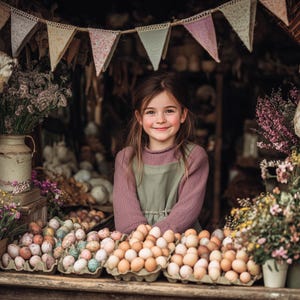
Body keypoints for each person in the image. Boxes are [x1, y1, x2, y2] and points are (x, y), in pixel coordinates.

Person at [113, 70, 209, 234]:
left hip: (180, 243)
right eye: (151, 112)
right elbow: (125, 215)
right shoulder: (126, 158)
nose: (160, 120)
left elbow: (186, 212)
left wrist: (155, 238)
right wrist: (141, 239)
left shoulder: (194, 157)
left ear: (183, 114)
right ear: (139, 118)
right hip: (135, 241)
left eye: (169, 111)